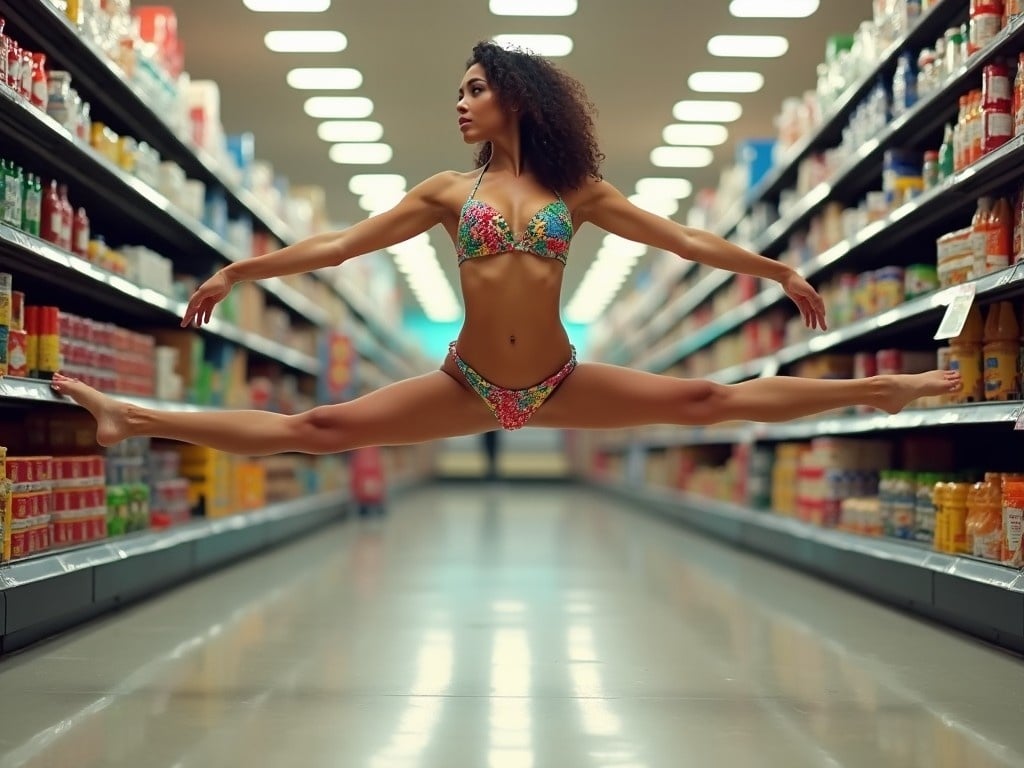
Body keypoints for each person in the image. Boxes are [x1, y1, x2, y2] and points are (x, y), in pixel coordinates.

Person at [51, 42, 961, 454]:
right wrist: (246, 266)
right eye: (458, 91)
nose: (460, 103)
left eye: (474, 89)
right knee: (315, 430)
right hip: (467, 382)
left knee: (710, 397)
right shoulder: (450, 194)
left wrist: (776, 268)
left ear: (514, 98)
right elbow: (337, 247)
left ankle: (893, 390)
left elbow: (683, 237)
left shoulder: (581, 194)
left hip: (562, 377)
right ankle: (137, 418)